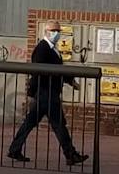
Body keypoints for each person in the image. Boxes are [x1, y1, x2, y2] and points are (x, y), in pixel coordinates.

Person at [6, 21, 88, 167]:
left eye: (58, 30)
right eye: (54, 30)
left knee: (32, 122)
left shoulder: (52, 49)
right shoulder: (42, 48)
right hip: (46, 92)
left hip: (48, 93)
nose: (57, 33)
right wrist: (33, 90)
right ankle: (70, 154)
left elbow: (59, 69)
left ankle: (15, 149)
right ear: (47, 31)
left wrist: (70, 81)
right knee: (58, 124)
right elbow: (38, 70)